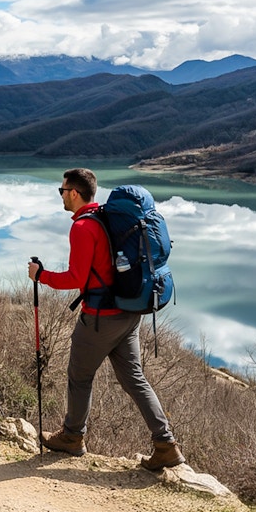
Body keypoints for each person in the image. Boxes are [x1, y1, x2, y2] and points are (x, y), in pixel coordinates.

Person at [28, 168, 185, 470]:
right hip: (129, 314)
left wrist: (41, 276)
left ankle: (73, 437)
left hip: (101, 319)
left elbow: (77, 277)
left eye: (62, 191)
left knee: (79, 377)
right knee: (134, 379)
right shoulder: (104, 217)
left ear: (74, 193)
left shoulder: (83, 228)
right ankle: (165, 444)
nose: (60, 196)